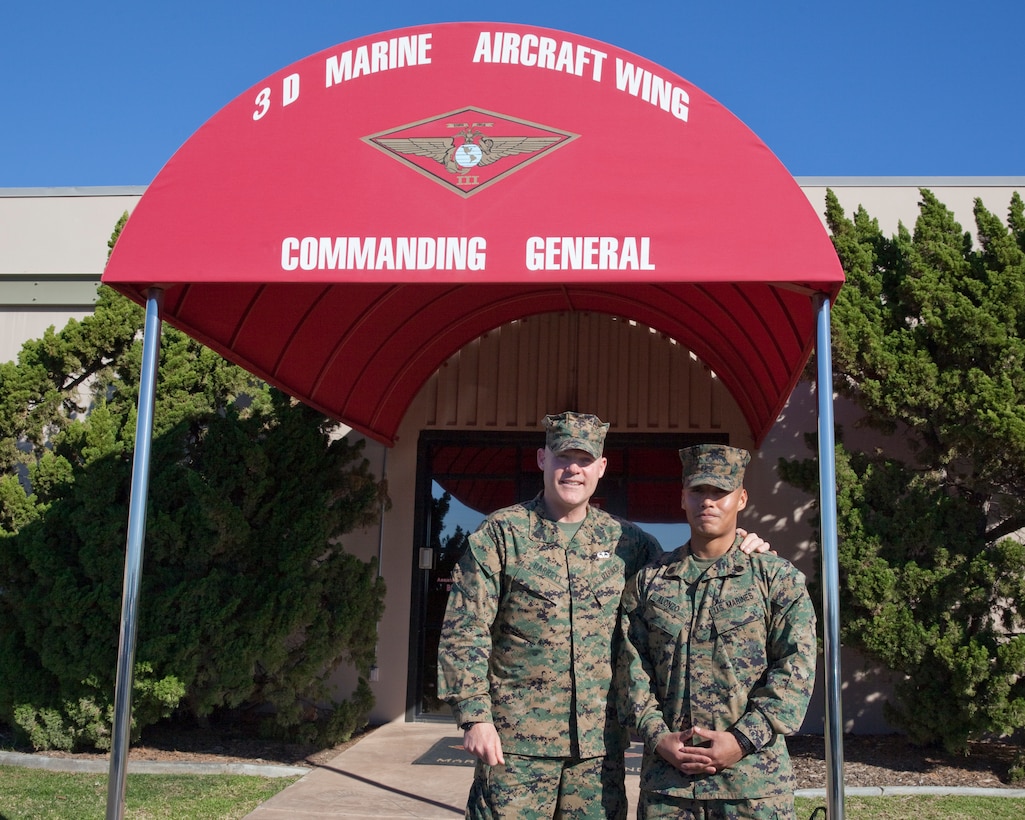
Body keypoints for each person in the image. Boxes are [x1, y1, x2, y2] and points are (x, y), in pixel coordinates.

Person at [438, 413, 772, 819]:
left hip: (599, 752)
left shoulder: (628, 543)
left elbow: (684, 573)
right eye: (563, 458)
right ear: (543, 459)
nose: (573, 469)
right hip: (515, 747)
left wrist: (740, 544)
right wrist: (475, 716)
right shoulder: (501, 534)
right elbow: (466, 630)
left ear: (601, 467)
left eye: (584, 460)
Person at [615, 444, 817, 820]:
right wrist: (658, 738)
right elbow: (631, 670)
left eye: (720, 492)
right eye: (698, 491)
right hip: (669, 789)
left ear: (741, 499)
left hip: (753, 789)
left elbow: (796, 671)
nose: (708, 502)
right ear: (682, 498)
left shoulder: (775, 579)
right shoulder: (650, 583)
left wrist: (742, 740)